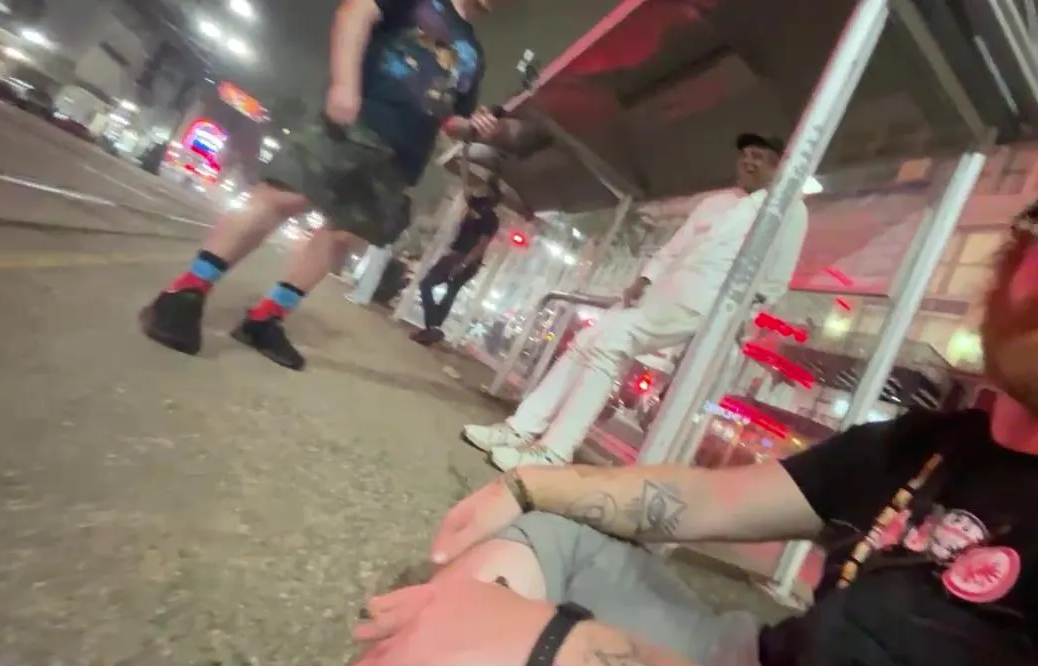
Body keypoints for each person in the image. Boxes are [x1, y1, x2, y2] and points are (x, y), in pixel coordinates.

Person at [0, 128, 1038, 666]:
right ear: (1011, 266)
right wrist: (534, 491)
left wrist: (555, 653)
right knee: (543, 553)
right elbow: (698, 500)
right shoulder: (938, 444)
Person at [139, 0, 503, 371]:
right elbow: (355, 12)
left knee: (342, 236)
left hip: (400, 159)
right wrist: (345, 84)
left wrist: (474, 126)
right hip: (359, 120)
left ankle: (266, 319)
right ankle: (187, 291)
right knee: (285, 194)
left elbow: (451, 120)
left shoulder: (473, 54)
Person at [462, 132, 810, 470]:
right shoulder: (719, 201)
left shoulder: (789, 210)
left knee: (611, 343)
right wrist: (645, 278)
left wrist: (738, 316)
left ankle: (553, 451)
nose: (747, 162)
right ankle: (520, 429)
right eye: (745, 155)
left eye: (758, 157)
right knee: (588, 340)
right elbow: (677, 245)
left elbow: (776, 281)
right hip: (665, 290)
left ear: (779, 165)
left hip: (708, 303)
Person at [410, 175, 501, 346]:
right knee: (450, 292)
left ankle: (432, 326)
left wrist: (464, 263)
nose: (480, 190)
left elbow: (482, 244)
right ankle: (433, 328)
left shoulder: (490, 218)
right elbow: (467, 191)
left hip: (463, 258)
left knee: (428, 284)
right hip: (465, 259)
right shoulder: (477, 206)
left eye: (485, 189)